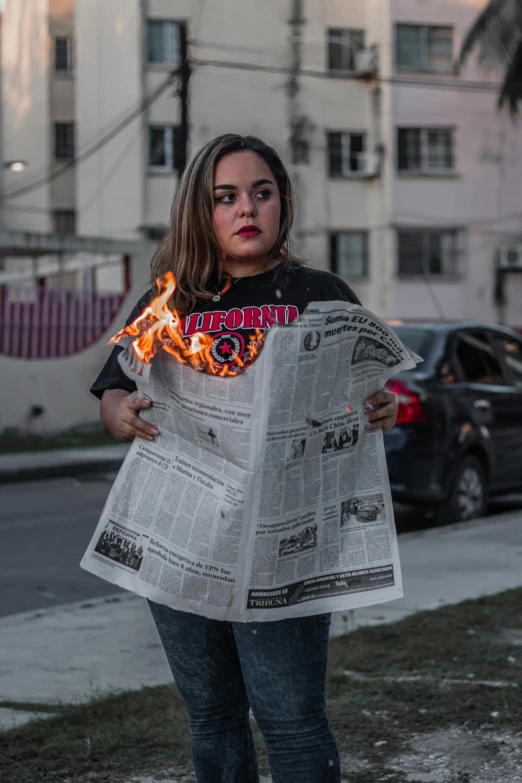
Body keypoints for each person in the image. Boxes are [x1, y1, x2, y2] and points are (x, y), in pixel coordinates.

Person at [90, 134, 397, 783]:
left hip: (279, 547)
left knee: (291, 719)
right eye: (224, 196)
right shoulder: (170, 303)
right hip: (183, 542)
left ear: (283, 201)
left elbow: (370, 389)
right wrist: (118, 412)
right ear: (200, 211)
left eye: (262, 192)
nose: (245, 208)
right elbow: (114, 387)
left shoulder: (319, 291)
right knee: (211, 715)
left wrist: (381, 407)